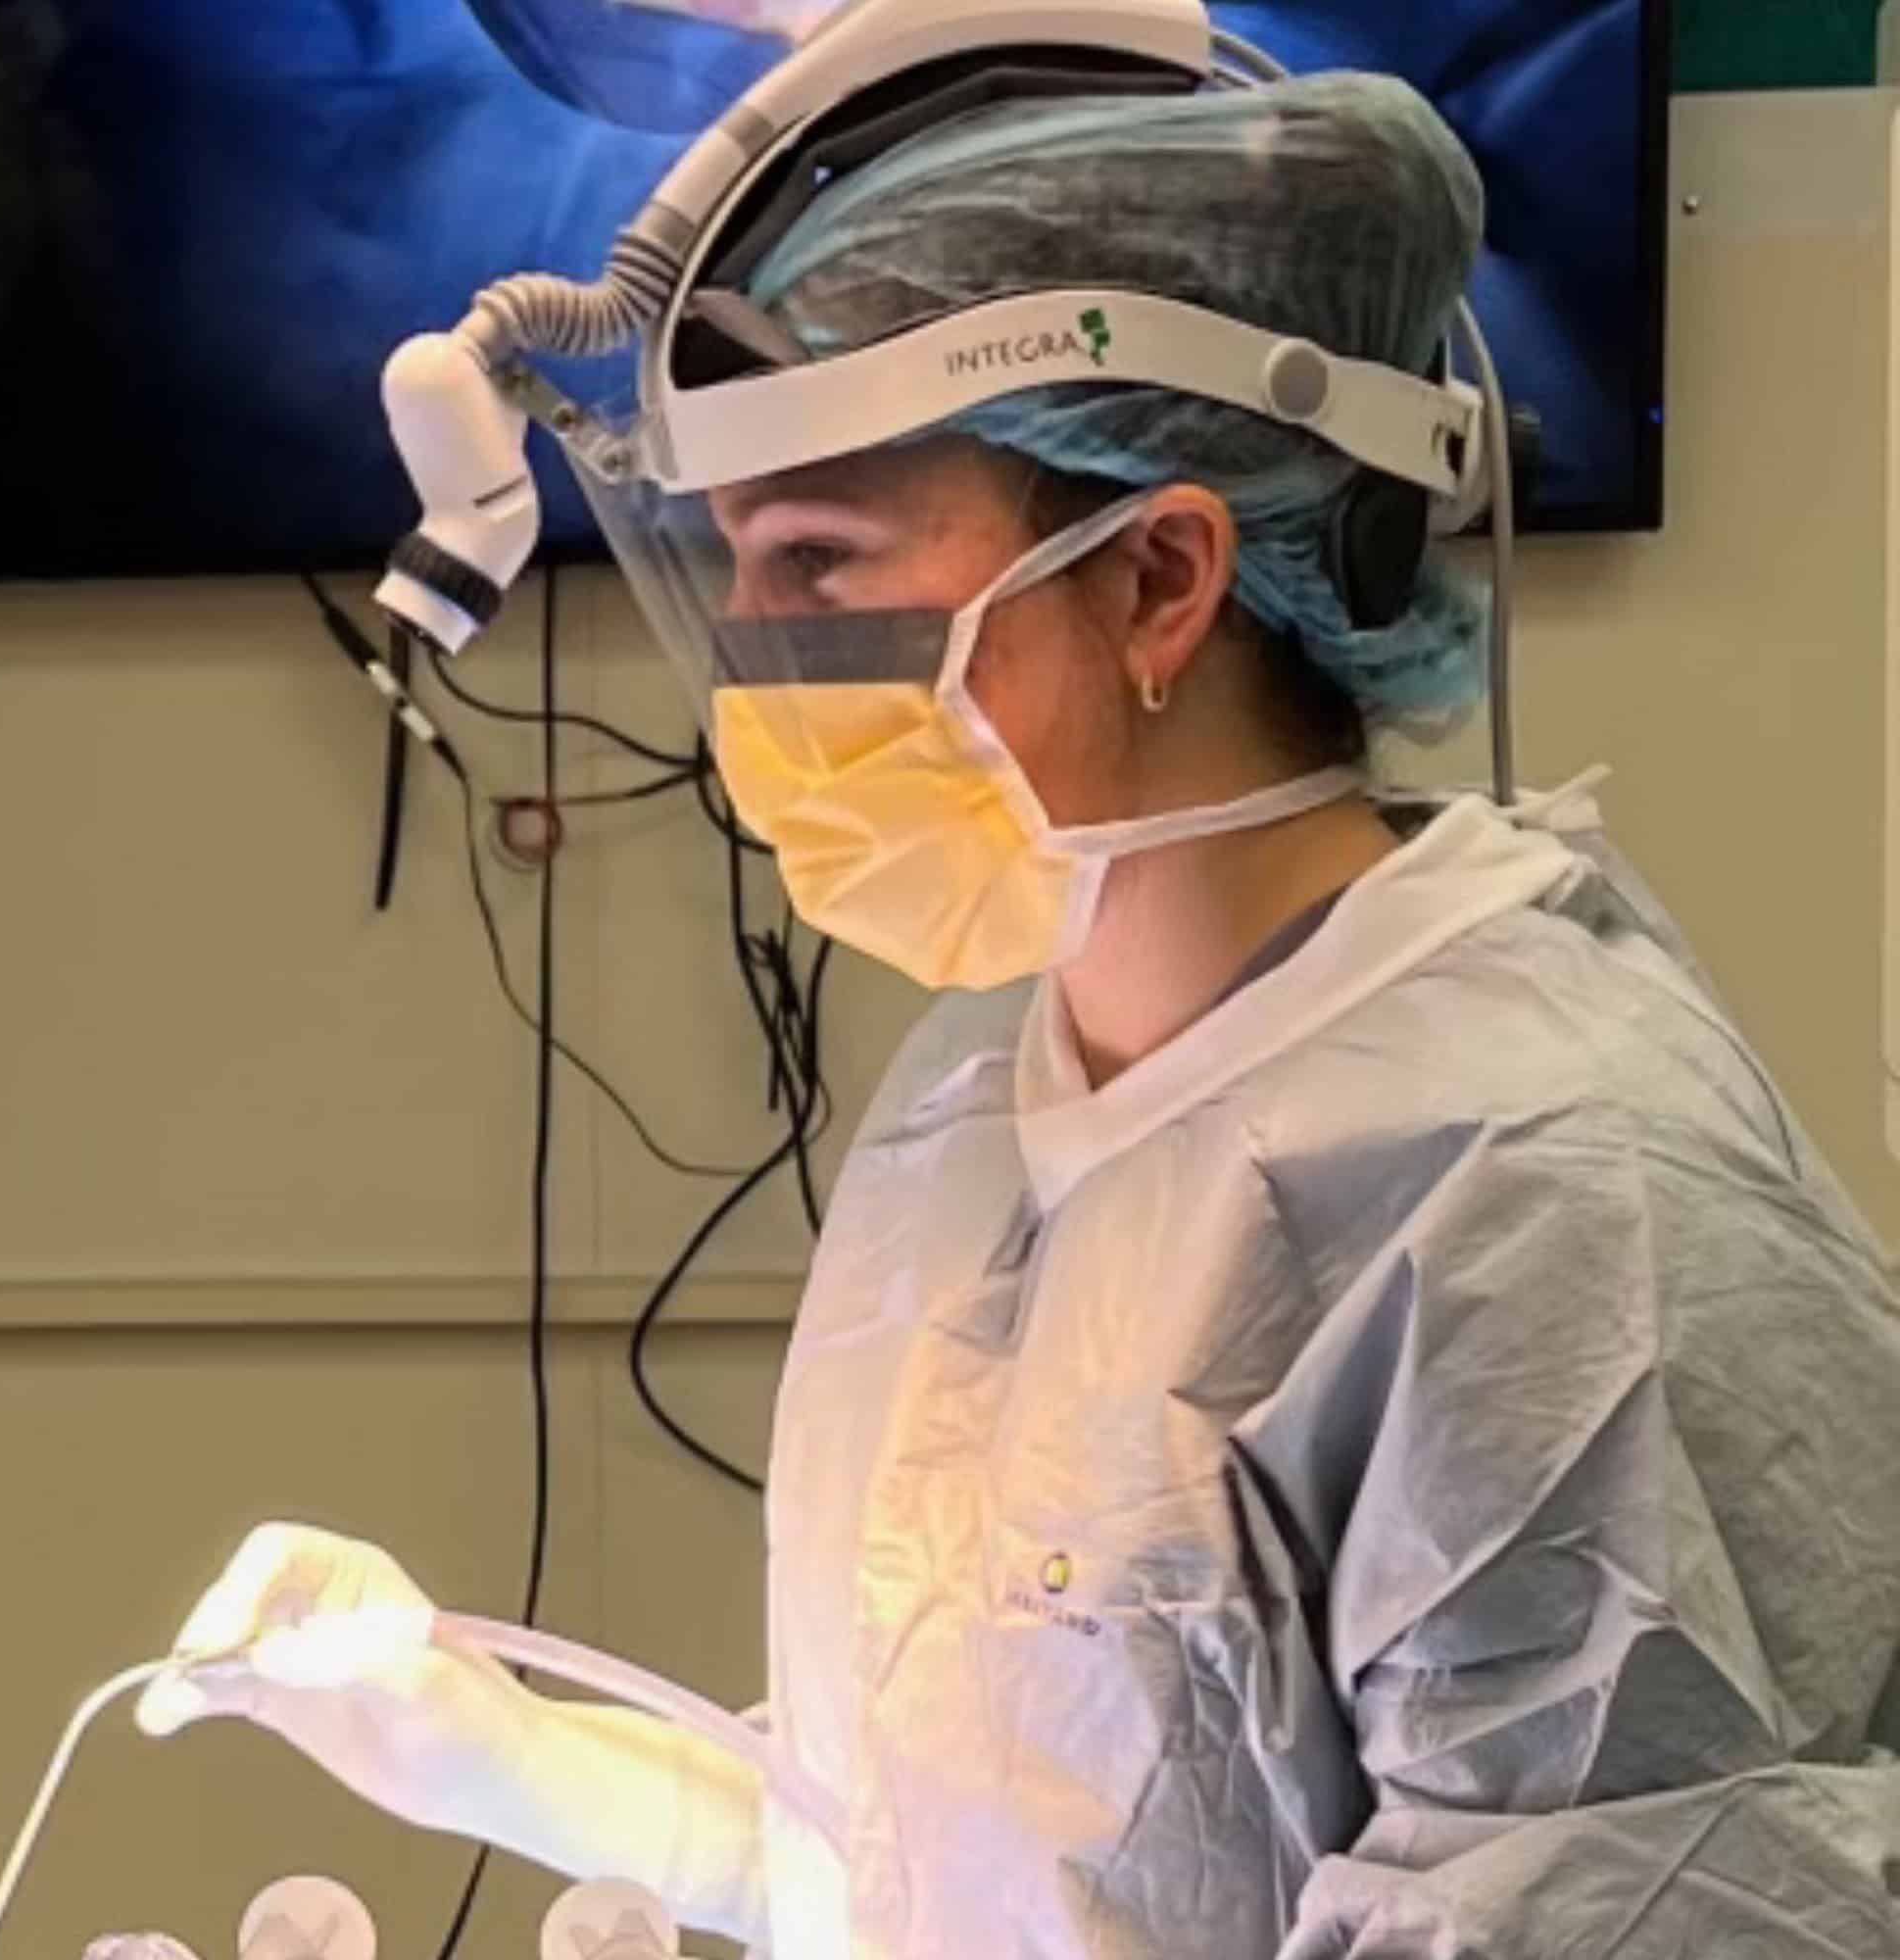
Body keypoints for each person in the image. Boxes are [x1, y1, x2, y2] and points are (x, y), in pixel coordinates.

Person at [138, 69, 1900, 1959]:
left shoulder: (1552, 1205)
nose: (755, 660)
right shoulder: (987, 1111)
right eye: (729, 564)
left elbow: (1656, 1901)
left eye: (819, 559)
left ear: (1159, 578)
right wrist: (522, 1769)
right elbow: (967, 1858)